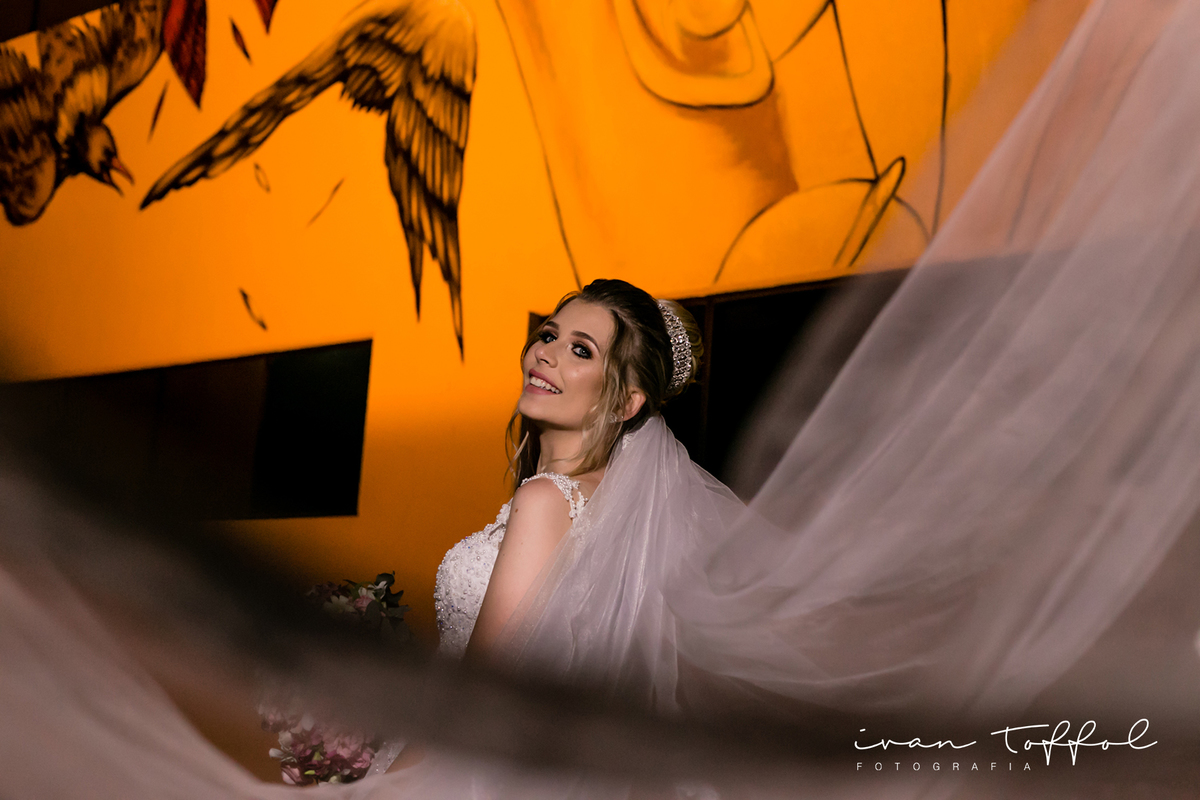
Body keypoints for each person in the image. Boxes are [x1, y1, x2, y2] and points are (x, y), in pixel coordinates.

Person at [5, 0, 1200, 794]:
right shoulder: (602, 507)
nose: (543, 356)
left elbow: (485, 699)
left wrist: (377, 770)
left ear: (628, 402)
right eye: (546, 335)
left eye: (578, 350)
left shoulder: (545, 505)